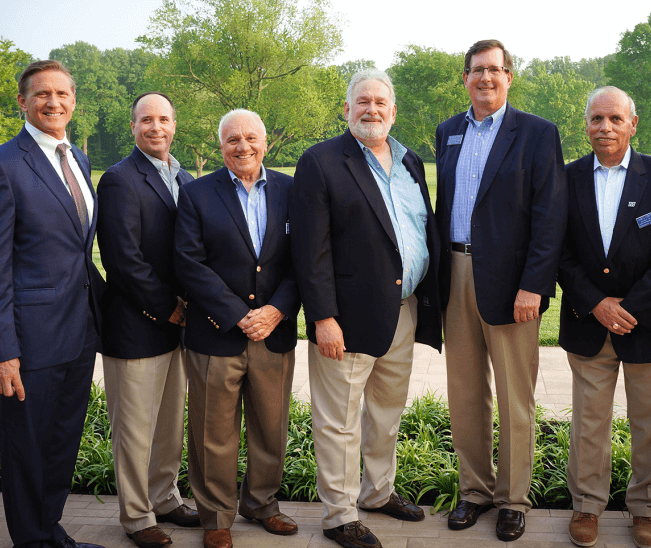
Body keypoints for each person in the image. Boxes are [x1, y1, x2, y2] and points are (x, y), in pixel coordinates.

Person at [289, 68, 441, 548]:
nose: (371, 109)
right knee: (338, 419)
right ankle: (339, 514)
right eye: (362, 102)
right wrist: (323, 318)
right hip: (346, 318)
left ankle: (378, 492)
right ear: (348, 110)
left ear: (393, 111)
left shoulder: (410, 160)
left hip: (403, 308)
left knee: (385, 412)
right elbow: (309, 250)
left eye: (380, 102)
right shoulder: (321, 162)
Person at [0, 60, 106, 548]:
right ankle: (32, 541)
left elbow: (75, 252)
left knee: (61, 444)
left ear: (73, 102)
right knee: (28, 449)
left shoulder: (79, 161)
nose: (53, 102)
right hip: (28, 341)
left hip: (78, 332)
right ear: (22, 102)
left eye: (62, 94)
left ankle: (50, 533)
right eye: (41, 94)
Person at [434, 39, 565, 542]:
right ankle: (475, 492)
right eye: (476, 71)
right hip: (456, 273)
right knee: (465, 394)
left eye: (495, 69)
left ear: (509, 76)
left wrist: (534, 285)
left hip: (512, 286)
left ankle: (513, 498)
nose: (485, 78)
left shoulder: (536, 133)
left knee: (515, 397)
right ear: (464, 78)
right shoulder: (448, 132)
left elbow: (549, 216)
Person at [560, 86, 651, 548]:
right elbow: (560, 251)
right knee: (588, 424)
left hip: (650, 327)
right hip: (587, 322)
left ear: (633, 124)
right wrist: (597, 303)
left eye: (615, 119)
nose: (605, 128)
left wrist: (632, 308)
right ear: (587, 125)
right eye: (596, 119)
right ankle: (587, 507)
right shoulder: (566, 177)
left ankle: (647, 510)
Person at [173, 109, 300, 548]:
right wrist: (237, 314)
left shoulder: (291, 188)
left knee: (271, 427)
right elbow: (189, 263)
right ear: (220, 145)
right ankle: (216, 517)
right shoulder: (196, 194)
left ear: (265, 142)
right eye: (232, 140)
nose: (242, 147)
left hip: (275, 333)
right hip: (216, 333)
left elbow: (306, 258)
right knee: (214, 433)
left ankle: (262, 504)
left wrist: (277, 310)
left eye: (250, 138)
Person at [96, 91, 199, 548]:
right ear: (132, 126)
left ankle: (166, 497)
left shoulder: (186, 177)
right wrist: (167, 306)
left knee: (168, 423)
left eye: (163, 119)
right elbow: (123, 260)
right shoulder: (120, 179)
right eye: (145, 120)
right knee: (135, 430)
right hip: (137, 325)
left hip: (179, 326)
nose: (155, 127)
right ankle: (138, 517)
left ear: (175, 124)